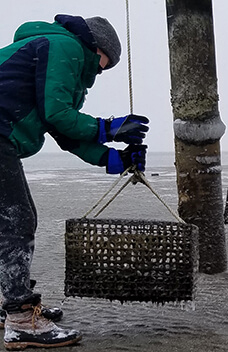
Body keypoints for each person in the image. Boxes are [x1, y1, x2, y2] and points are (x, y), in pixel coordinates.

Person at [0, 14, 148, 350]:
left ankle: (13, 302)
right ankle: (22, 319)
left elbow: (65, 131)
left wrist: (115, 158)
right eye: (103, 64)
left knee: (13, 220)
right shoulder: (64, 46)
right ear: (96, 46)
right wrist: (109, 127)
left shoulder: (53, 52)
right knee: (17, 221)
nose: (99, 72)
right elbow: (57, 114)